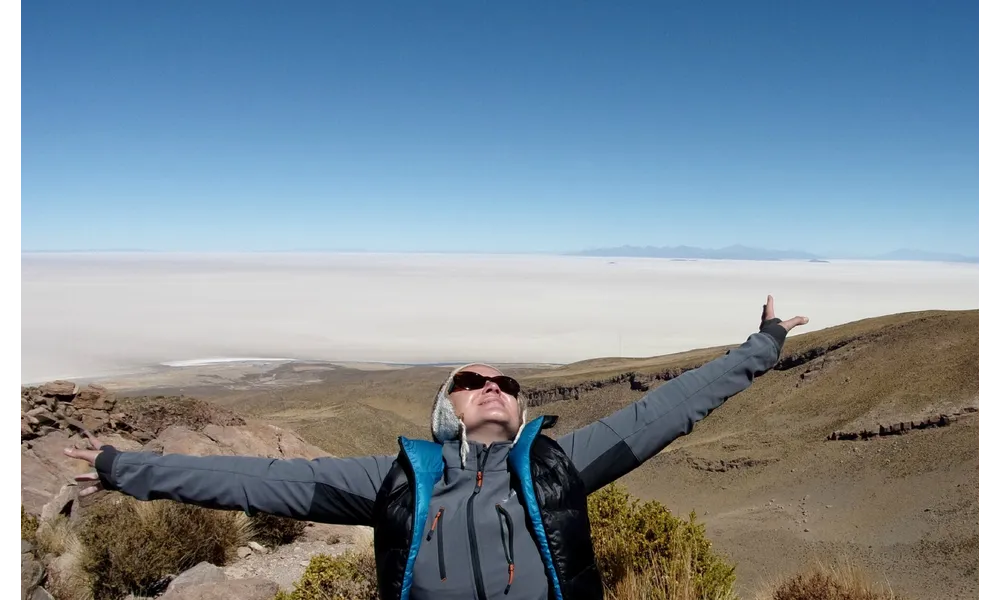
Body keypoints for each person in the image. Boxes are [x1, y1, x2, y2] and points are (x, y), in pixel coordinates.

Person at [65, 295, 808, 600]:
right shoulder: (396, 480)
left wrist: (762, 346)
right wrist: (123, 468)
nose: (491, 385)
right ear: (444, 407)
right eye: (471, 379)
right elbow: (258, 482)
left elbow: (665, 410)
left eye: (505, 381)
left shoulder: (558, 464)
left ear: (521, 409)